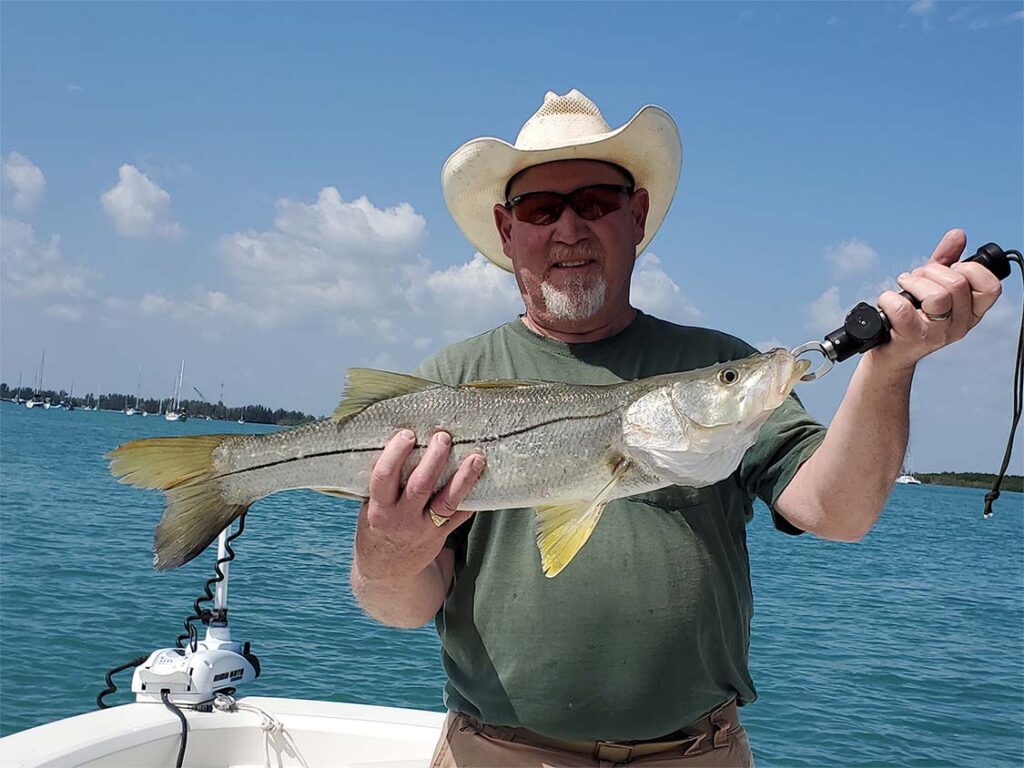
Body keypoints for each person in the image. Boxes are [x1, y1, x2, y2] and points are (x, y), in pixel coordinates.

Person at [349, 90, 1002, 767]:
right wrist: (387, 549)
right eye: (541, 209)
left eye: (597, 202)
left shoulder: (715, 363)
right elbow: (400, 608)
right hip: (496, 751)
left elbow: (837, 511)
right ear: (507, 230)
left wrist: (890, 367)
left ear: (636, 216)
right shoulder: (447, 385)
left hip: (695, 754)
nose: (569, 229)